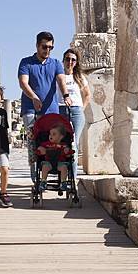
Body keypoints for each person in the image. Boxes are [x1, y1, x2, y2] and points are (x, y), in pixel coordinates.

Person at [18, 32, 72, 179]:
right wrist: (34, 97)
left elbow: (61, 81)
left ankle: (48, 172)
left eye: (50, 47)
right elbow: (23, 83)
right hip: (30, 109)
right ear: (37, 45)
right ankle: (35, 176)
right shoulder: (26, 62)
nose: (47, 50)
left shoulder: (55, 63)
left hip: (50, 110)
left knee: (50, 141)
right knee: (32, 142)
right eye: (44, 47)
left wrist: (66, 95)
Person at [57, 48, 90, 177]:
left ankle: (73, 177)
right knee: (62, 143)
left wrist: (82, 108)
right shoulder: (59, 76)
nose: (70, 62)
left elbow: (87, 95)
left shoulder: (79, 77)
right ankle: (63, 175)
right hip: (61, 109)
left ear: (76, 62)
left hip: (76, 110)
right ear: (63, 60)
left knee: (74, 144)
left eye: (73, 60)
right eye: (67, 59)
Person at [36, 124, 73, 192]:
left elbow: (68, 155)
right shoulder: (46, 144)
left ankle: (63, 182)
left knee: (64, 167)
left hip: (60, 163)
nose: (51, 136)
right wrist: (41, 149)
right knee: (45, 167)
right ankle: (43, 181)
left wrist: (67, 152)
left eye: (54, 134)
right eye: (50, 134)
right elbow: (39, 148)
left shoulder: (64, 145)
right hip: (48, 162)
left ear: (61, 137)